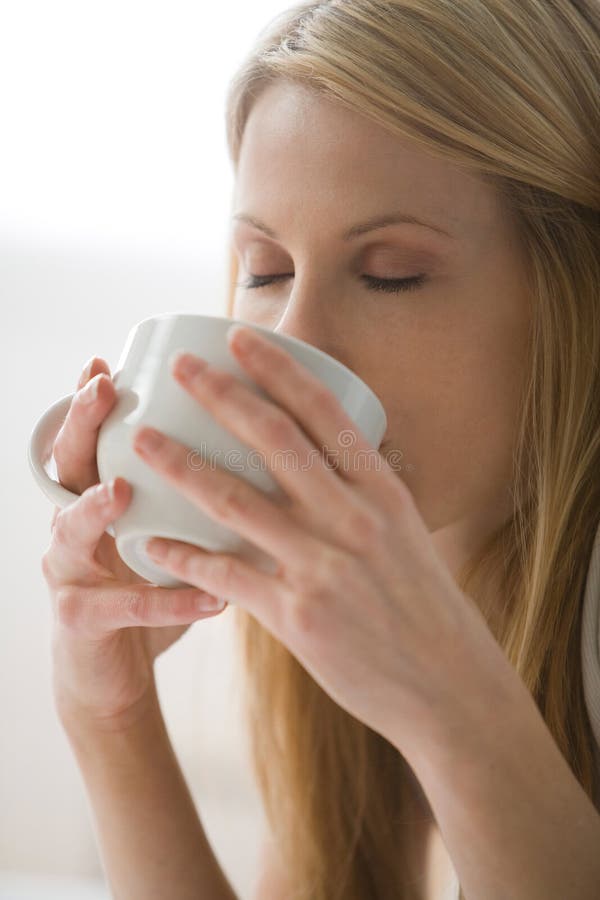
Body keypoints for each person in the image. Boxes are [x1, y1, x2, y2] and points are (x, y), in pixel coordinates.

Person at [40, 1, 600, 898]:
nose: (293, 341)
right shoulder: (361, 601)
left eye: (390, 274)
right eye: (265, 271)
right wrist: (109, 715)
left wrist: (449, 704)